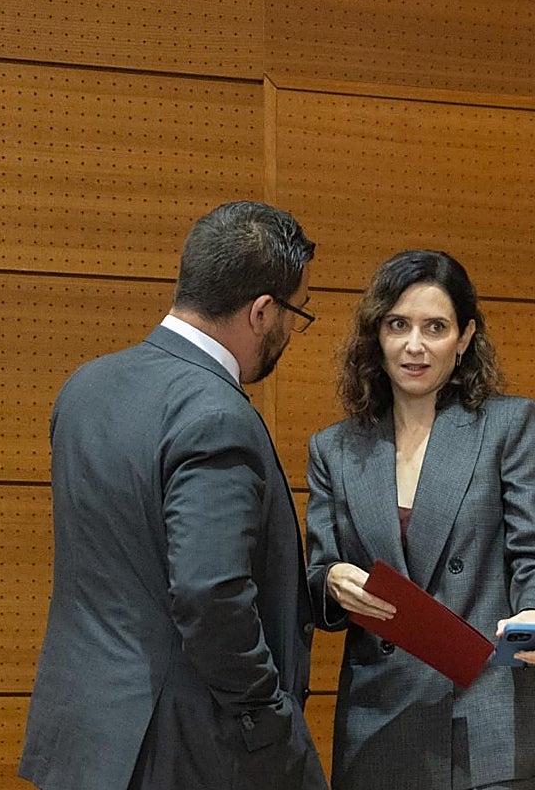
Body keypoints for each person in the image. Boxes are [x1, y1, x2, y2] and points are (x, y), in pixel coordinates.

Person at [19, 201, 328, 790]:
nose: (293, 329)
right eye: (297, 311)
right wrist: (266, 711)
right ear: (262, 311)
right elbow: (210, 593)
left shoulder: (85, 387)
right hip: (184, 749)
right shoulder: (215, 412)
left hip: (82, 739)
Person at [305, 249, 535, 790]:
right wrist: (332, 581)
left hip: (490, 721)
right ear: (375, 334)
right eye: (398, 325)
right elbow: (317, 574)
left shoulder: (509, 424)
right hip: (379, 725)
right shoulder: (334, 448)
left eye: (436, 327)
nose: (414, 346)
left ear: (466, 336)